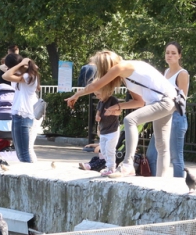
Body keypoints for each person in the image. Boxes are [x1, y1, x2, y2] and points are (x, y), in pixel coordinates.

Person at [65, 50, 177, 178]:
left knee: (130, 120)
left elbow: (95, 86)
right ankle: (161, 181)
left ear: (106, 66)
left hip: (166, 100)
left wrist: (76, 95)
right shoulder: (126, 76)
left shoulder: (121, 66)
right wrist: (118, 106)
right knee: (161, 145)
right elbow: (139, 102)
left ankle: (128, 165)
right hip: (164, 100)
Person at [146, 42, 190, 178]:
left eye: (173, 53)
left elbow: (182, 99)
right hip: (162, 116)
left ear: (179, 56)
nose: (169, 55)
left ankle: (179, 189)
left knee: (176, 157)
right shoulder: (165, 72)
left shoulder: (182, 74)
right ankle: (155, 184)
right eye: (167, 52)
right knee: (151, 155)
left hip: (176, 117)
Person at [3, 56, 41, 163]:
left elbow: (5, 75)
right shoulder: (21, 75)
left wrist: (20, 64)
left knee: (24, 152)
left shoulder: (29, 76)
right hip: (18, 114)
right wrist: (23, 63)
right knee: (19, 152)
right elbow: (3, 68)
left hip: (23, 115)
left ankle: (29, 175)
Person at [81, 85, 122, 176]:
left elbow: (119, 111)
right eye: (96, 94)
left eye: (98, 94)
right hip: (103, 130)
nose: (97, 96)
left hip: (112, 130)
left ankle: (111, 168)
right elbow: (98, 111)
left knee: (109, 149)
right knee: (103, 150)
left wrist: (112, 112)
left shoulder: (113, 100)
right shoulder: (100, 102)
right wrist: (97, 116)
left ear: (106, 91)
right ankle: (108, 166)